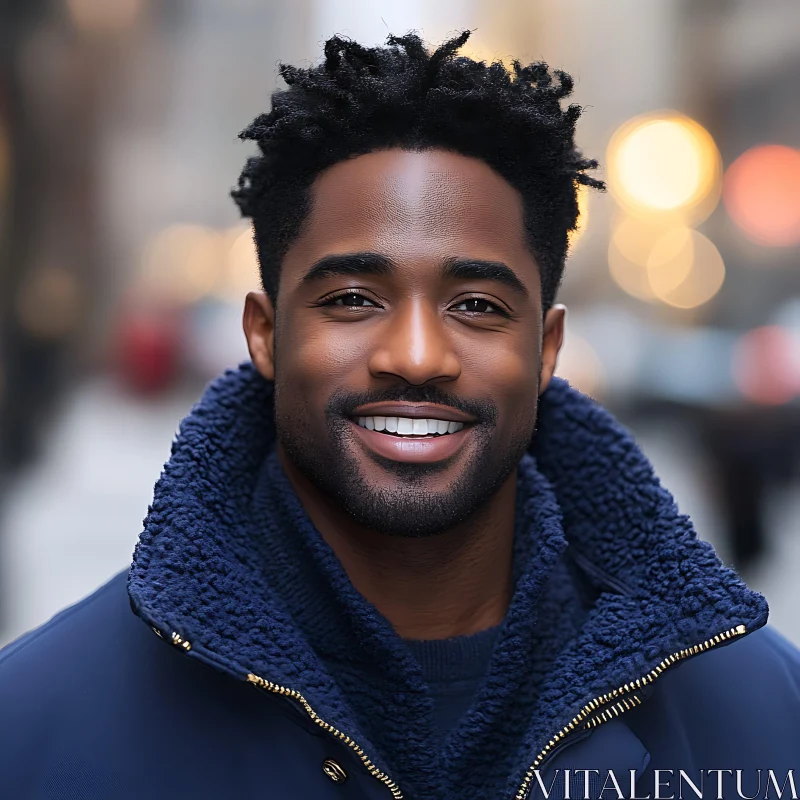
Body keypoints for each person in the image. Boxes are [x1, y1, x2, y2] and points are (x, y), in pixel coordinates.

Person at [1, 31, 798, 800]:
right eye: (352, 299)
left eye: (478, 305)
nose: (417, 355)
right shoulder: (35, 727)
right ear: (267, 334)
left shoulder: (765, 714)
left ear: (547, 348)